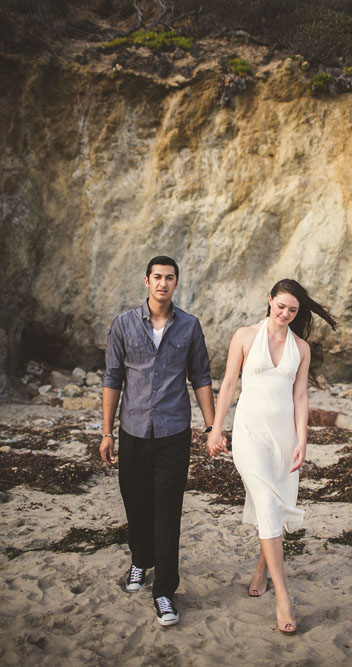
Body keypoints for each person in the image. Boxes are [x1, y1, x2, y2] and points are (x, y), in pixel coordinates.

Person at [206, 279, 336, 635]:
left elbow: (300, 398)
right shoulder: (245, 336)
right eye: (280, 306)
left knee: (274, 508)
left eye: (292, 310)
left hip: (284, 438)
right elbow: (229, 383)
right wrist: (216, 428)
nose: (285, 314)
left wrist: (302, 441)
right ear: (269, 301)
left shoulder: (301, 348)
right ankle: (283, 596)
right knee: (265, 501)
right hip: (249, 434)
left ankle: (262, 570)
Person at [101, 255, 216, 627]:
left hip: (173, 434)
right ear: (146, 281)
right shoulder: (123, 324)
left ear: (176, 284)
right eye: (157, 277)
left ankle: (164, 589)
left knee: (168, 510)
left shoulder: (190, 327)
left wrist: (212, 426)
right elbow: (112, 378)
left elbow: (200, 377)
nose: (163, 283)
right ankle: (139, 560)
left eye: (169, 278)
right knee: (136, 503)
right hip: (132, 431)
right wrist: (106, 432)